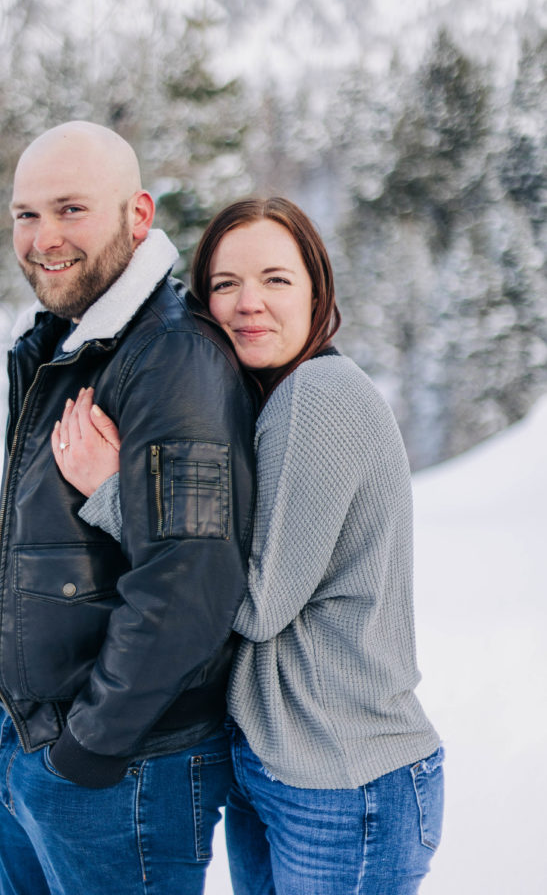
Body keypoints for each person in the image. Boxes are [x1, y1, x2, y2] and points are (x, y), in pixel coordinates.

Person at [68, 196, 444, 894]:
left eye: (275, 279)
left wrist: (115, 495)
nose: (249, 303)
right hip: (279, 768)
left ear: (315, 291)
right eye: (224, 283)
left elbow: (253, 605)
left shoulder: (317, 394)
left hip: (342, 779)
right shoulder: (270, 401)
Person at [0, 121, 256, 895]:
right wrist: (7, 729)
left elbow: (190, 580)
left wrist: (88, 748)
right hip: (24, 741)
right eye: (26, 214)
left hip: (122, 769)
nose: (43, 237)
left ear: (138, 215)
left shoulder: (172, 358)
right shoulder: (66, 342)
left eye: (70, 209)